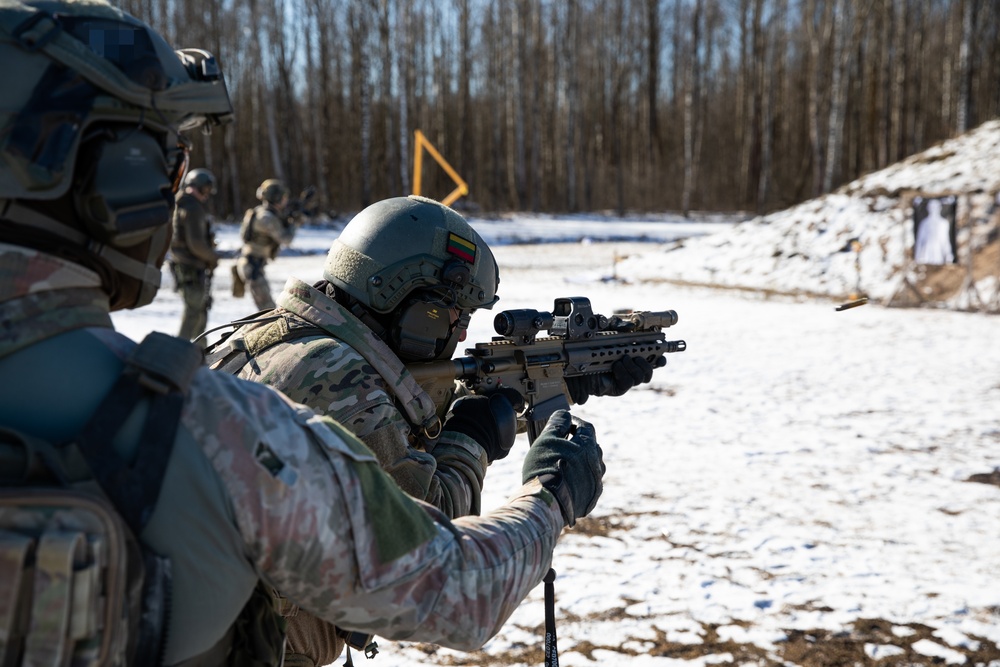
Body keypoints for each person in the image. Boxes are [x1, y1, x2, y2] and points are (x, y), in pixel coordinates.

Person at [0, 3, 606, 666]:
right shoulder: (223, 432)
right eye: (167, 167)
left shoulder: (235, 364)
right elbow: (455, 587)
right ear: (117, 178)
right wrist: (550, 494)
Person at [205, 195, 658, 666]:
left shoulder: (286, 338)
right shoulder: (336, 376)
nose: (461, 334)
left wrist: (550, 383)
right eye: (453, 314)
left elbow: (396, 426)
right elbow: (429, 538)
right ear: (406, 300)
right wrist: (473, 439)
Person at [170, 167, 219, 345]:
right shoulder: (193, 208)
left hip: (184, 266)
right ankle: (178, 355)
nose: (207, 195)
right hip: (192, 267)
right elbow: (196, 244)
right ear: (196, 187)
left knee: (198, 314)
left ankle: (201, 356)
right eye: (205, 190)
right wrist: (212, 257)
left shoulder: (181, 203)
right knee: (193, 314)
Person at [236, 178, 295, 309]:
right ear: (277, 198)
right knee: (267, 311)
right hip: (253, 267)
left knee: (266, 310)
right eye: (283, 197)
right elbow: (286, 239)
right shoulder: (266, 217)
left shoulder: (259, 212)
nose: (286, 200)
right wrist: (294, 222)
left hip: (252, 264)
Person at [914, 197, 954, 265]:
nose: (933, 209)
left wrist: (948, 254)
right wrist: (917, 256)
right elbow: (920, 240)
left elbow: (945, 240)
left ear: (939, 208)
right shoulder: (924, 223)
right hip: (926, 252)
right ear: (928, 208)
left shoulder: (943, 223)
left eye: (935, 207)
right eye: (931, 207)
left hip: (938, 252)